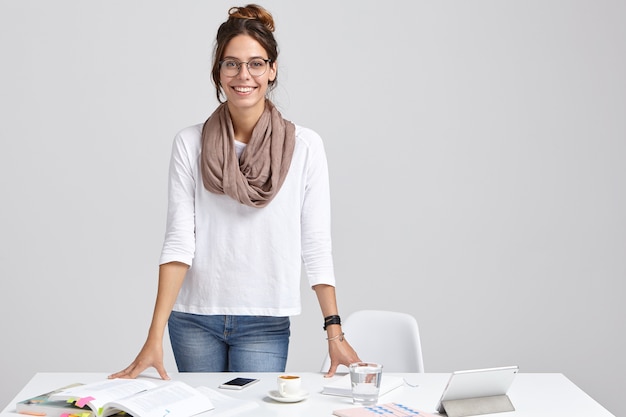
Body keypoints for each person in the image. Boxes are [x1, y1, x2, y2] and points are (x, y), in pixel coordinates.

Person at [110, 4, 359, 380]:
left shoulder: (305, 146)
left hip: (265, 320)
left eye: (256, 63)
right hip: (193, 319)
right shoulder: (189, 143)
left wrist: (334, 332)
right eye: (232, 63)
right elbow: (179, 241)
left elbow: (316, 244)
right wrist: (153, 336)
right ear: (218, 72)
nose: (244, 75)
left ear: (272, 70)